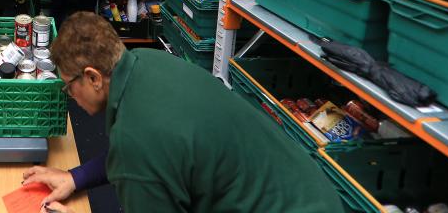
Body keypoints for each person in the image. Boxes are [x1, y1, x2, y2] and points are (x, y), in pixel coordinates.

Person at [23, 12, 344, 213]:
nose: (69, 96)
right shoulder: (149, 62)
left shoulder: (137, 135)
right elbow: (154, 156)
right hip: (310, 194)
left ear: (93, 77)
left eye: (69, 86)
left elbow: (141, 151)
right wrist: (76, 176)